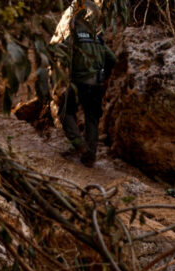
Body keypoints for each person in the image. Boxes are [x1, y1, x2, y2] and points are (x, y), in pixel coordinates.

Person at [59, 6, 117, 168]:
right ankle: (90, 157)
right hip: (97, 85)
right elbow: (112, 59)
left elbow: (60, 53)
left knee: (64, 113)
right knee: (92, 119)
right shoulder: (97, 38)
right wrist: (103, 75)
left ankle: (79, 146)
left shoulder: (74, 36)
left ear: (75, 22)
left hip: (79, 83)